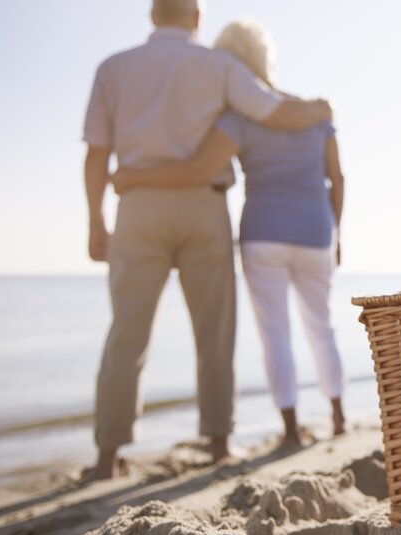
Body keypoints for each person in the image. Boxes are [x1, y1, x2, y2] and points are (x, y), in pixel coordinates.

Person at [82, 0, 332, 481]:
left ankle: (106, 457)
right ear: (197, 18)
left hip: (137, 207)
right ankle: (219, 442)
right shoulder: (218, 66)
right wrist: (321, 109)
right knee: (214, 331)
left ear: (153, 15)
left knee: (127, 334)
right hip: (203, 205)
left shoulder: (112, 68)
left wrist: (95, 221)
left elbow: (96, 154)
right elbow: (274, 111)